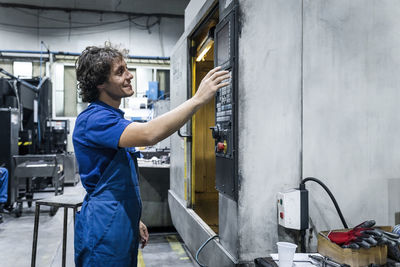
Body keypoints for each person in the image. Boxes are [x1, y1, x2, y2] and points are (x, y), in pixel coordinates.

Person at [72, 45, 229, 266]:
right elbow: (148, 134)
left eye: (127, 69)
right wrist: (197, 100)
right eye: (120, 72)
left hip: (118, 221)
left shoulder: (112, 118)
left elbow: (118, 183)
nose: (129, 76)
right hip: (105, 227)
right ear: (100, 83)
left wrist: (133, 219)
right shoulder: (95, 119)